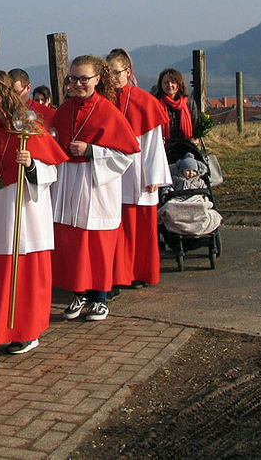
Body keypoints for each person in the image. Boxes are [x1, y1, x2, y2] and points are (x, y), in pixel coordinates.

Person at [0, 70, 66, 369]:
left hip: (22, 215)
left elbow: (52, 172)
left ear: (4, 95)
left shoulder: (28, 129)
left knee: (23, 280)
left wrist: (32, 165)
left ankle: (24, 332)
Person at [51, 55, 140, 321]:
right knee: (73, 242)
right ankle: (78, 293)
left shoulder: (107, 110)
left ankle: (99, 297)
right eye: (73, 79)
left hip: (96, 184)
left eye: (84, 79)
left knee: (97, 242)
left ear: (97, 80)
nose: (78, 84)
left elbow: (127, 154)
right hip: (69, 182)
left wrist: (92, 150)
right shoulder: (64, 110)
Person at [107, 48, 171, 289]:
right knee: (119, 228)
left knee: (141, 228)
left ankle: (141, 272)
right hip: (114, 171)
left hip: (140, 170)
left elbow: (154, 143)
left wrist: (154, 175)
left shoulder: (145, 102)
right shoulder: (104, 101)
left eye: (117, 72)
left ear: (127, 71)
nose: (113, 78)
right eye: (109, 73)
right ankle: (120, 274)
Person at [154, 68, 199, 141]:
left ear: (179, 84)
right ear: (161, 85)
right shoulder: (155, 103)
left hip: (186, 144)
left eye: (173, 82)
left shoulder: (189, 103)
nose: (169, 85)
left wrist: (195, 139)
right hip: (162, 146)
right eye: (166, 82)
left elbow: (195, 124)